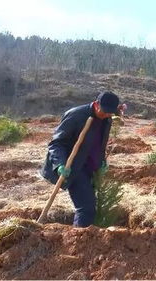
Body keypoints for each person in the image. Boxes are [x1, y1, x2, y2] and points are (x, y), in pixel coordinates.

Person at [41, 91, 120, 227]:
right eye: (105, 111)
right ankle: (78, 240)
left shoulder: (106, 119)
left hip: (90, 166)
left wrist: (101, 162)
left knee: (89, 203)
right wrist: (60, 164)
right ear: (96, 104)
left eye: (110, 113)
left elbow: (99, 144)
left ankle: (86, 237)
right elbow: (56, 143)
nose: (107, 115)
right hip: (74, 167)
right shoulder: (76, 116)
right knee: (86, 208)